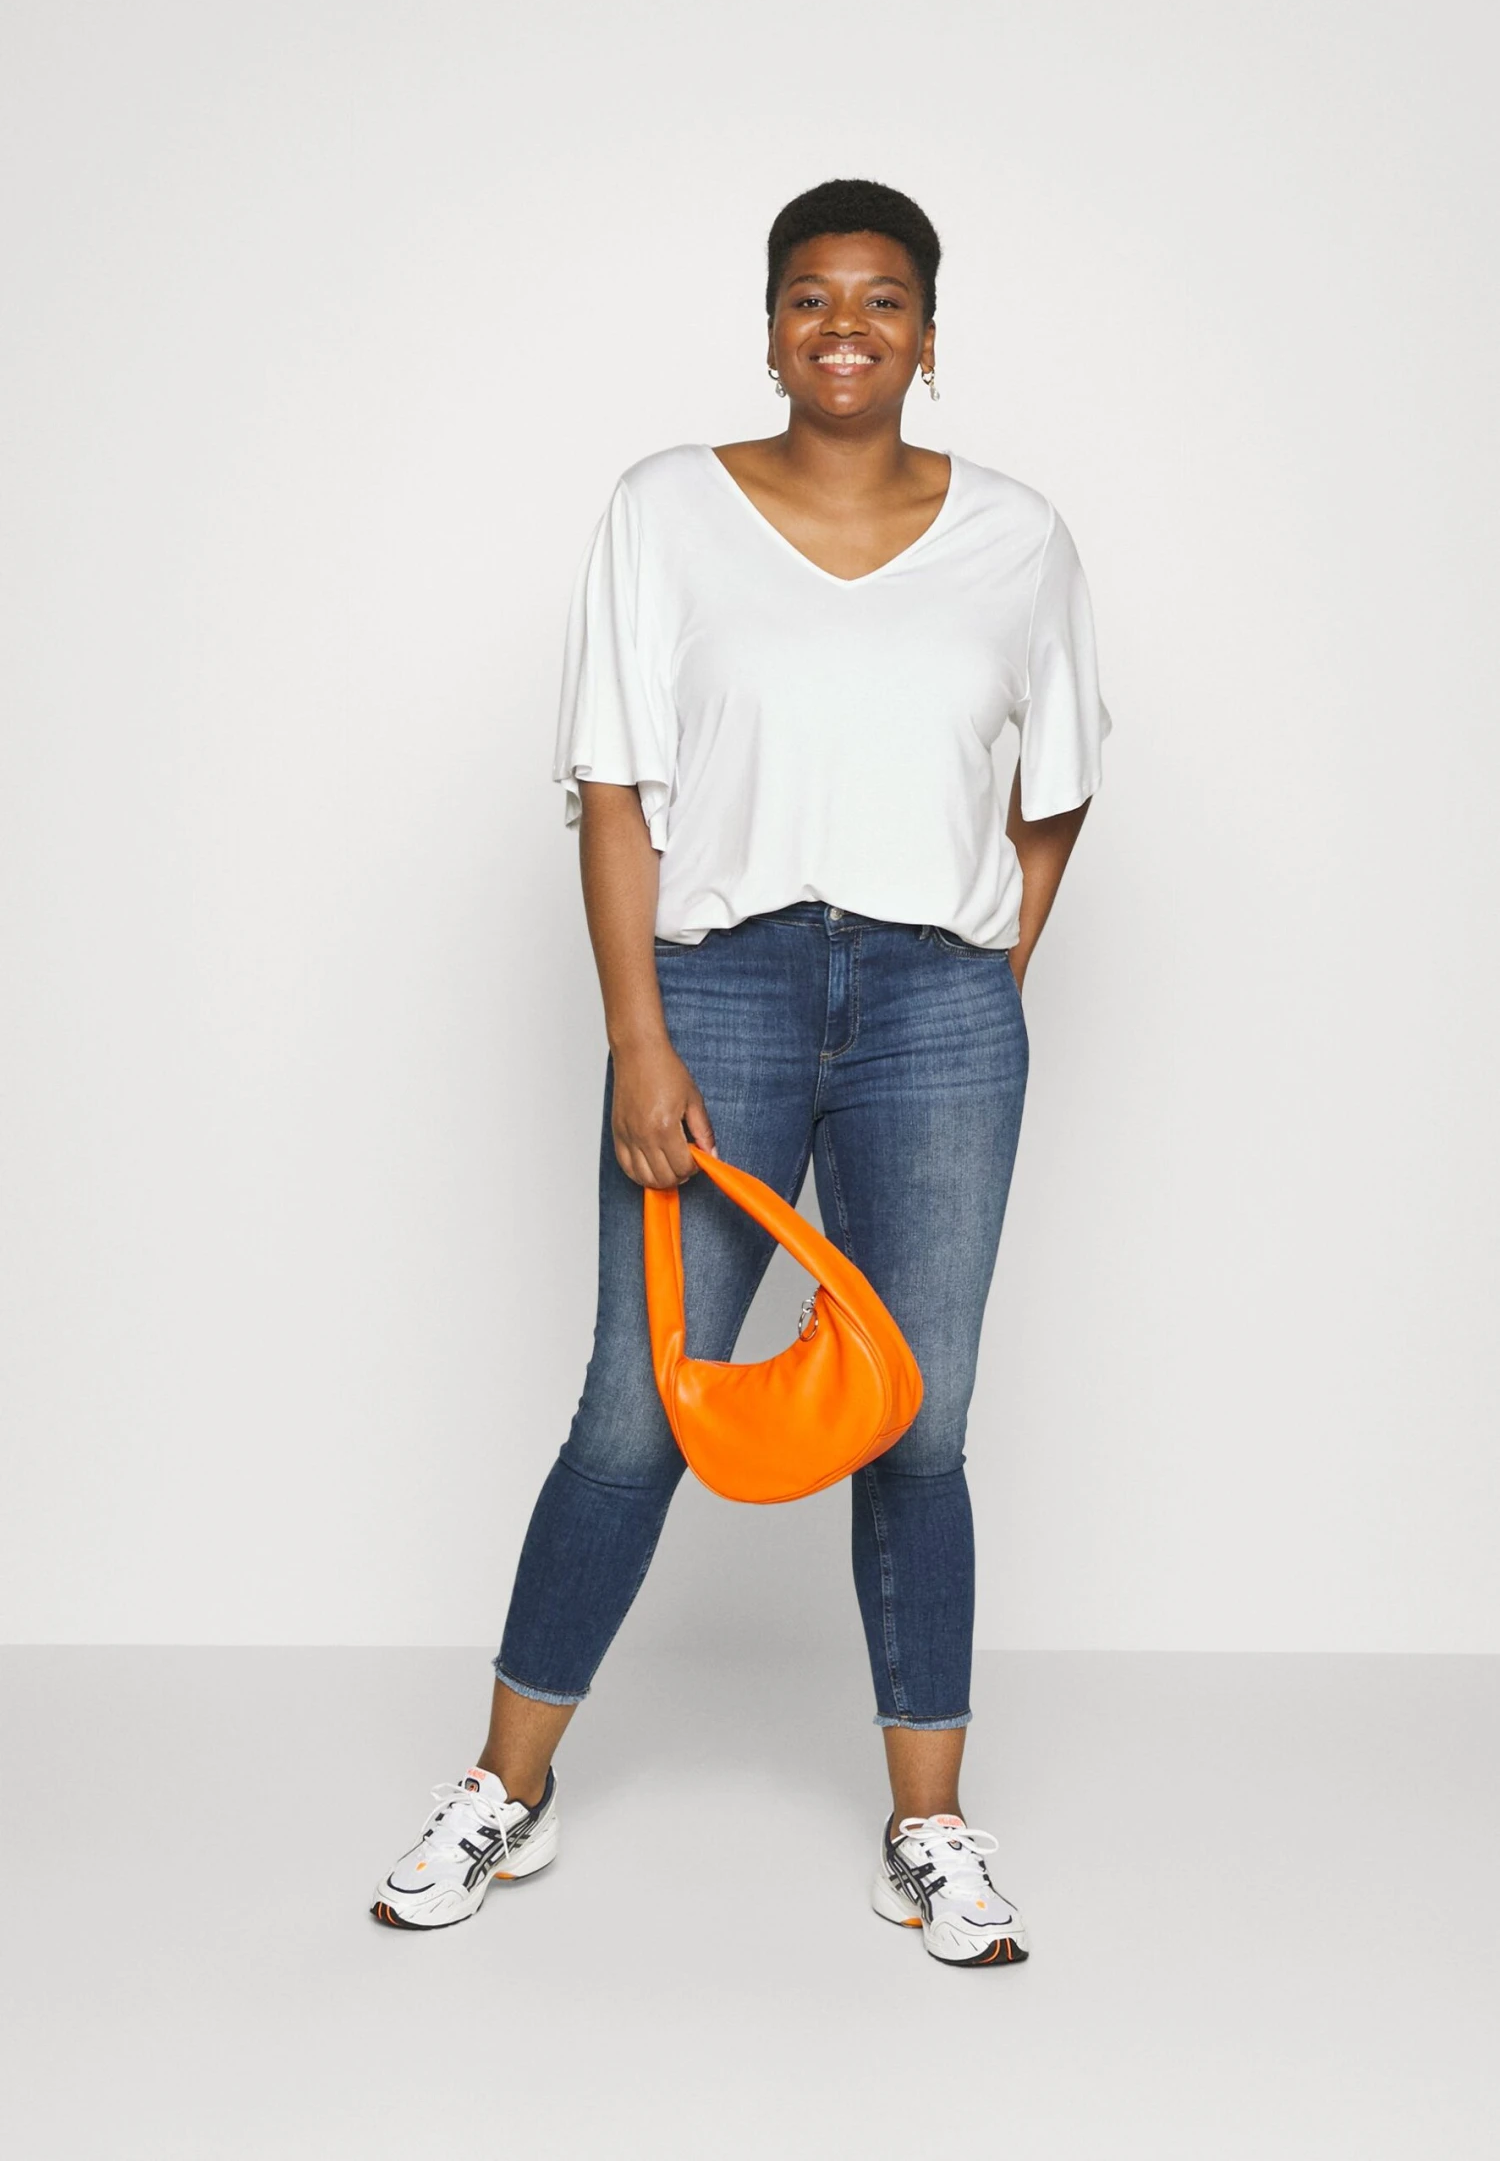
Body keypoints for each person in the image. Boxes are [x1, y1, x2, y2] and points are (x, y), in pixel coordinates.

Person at [372, 179, 1111, 1966]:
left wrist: (985, 977)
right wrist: (641, 1032)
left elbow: (1059, 788)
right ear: (770, 326)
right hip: (724, 988)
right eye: (809, 296)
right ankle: (506, 1790)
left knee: (919, 1419)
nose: (844, 323)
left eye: (882, 297)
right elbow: (614, 786)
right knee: (636, 1415)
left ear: (929, 333)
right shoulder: (663, 512)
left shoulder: (1020, 538)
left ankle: (928, 1828)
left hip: (940, 1004)